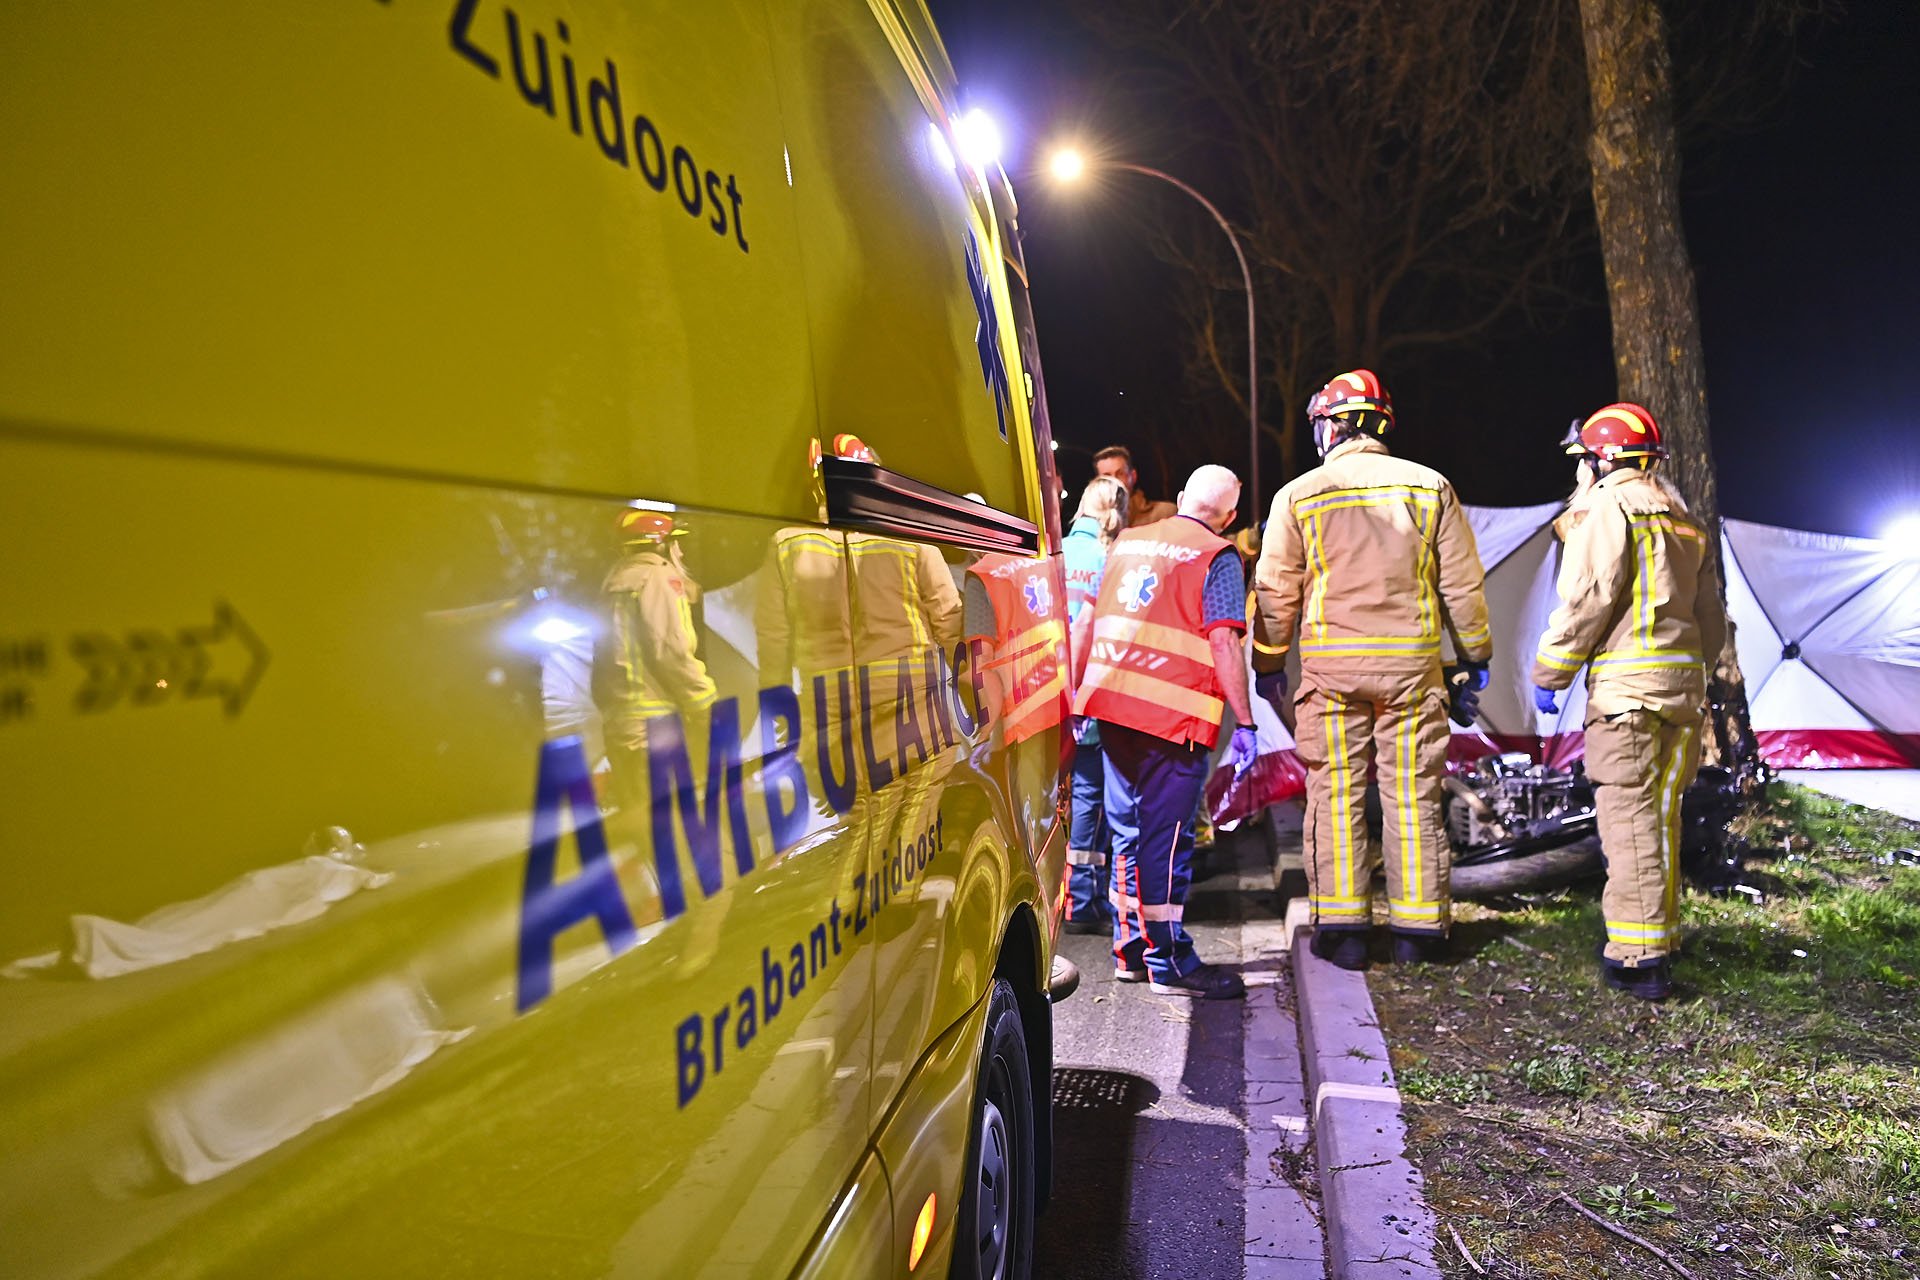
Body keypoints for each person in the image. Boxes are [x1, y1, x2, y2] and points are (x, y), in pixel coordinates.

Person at [1252, 370, 1491, 970]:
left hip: (1332, 674)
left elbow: (1277, 590)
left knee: (1335, 797)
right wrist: (1475, 659)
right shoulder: (1430, 487)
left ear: (1333, 425)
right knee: (1412, 797)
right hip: (1412, 670)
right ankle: (1417, 934)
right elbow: (1461, 584)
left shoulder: (1299, 494)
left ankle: (1344, 930)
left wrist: (1268, 661)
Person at [1531, 404, 1725, 1001]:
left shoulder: (1609, 509)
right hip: (1682, 696)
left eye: (1584, 461)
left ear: (1601, 459)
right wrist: (1693, 676)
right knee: (1662, 818)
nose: (1580, 473)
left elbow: (1589, 598)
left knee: (1629, 821)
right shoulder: (1684, 518)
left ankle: (1639, 959)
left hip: (1627, 698)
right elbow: (1712, 621)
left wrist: (1551, 670)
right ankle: (1659, 936)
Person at [1071, 464, 1256, 999]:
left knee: (1125, 832)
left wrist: (1081, 696)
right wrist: (1244, 723)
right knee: (1166, 842)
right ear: (1230, 517)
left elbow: (1089, 619)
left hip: (1112, 709)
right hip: (1171, 722)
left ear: (1179, 498)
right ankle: (1169, 960)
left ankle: (1129, 951)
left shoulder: (1127, 541)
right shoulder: (1217, 557)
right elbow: (1223, 642)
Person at [1060, 475, 1130, 933]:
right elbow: (1092, 630)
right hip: (1088, 693)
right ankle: (1083, 900)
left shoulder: (1054, 551)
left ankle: (1058, 892)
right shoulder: (1109, 559)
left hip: (1042, 690)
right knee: (1088, 796)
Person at [1092, 444, 1178, 526]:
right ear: (1097, 483)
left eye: (1120, 474)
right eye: (1107, 476)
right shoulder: (1091, 523)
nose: (1114, 481)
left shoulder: (1164, 514)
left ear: (1133, 476)